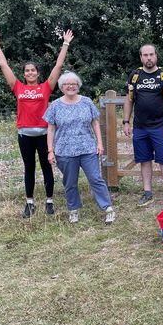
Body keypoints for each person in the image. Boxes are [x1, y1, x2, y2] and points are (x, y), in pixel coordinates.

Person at [0, 27, 74, 218]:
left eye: (32, 70)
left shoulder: (46, 87)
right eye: (26, 71)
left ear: (37, 72)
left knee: (46, 167)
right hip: (25, 135)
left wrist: (65, 44)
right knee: (29, 168)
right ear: (24, 74)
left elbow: (58, 67)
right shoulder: (17, 87)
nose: (29, 73)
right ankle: (30, 203)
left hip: (44, 134)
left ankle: (49, 201)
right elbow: (3, 65)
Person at [43, 71, 115, 224]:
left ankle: (108, 208)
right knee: (70, 183)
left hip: (88, 149)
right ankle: (73, 210)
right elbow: (50, 129)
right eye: (67, 84)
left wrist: (99, 143)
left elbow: (95, 123)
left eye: (74, 84)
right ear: (62, 87)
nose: (71, 87)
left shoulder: (87, 101)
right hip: (65, 152)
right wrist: (50, 150)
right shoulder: (55, 105)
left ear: (78, 86)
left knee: (96, 179)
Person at [122, 44, 163, 207]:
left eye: (151, 54)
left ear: (156, 56)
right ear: (141, 57)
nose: (148, 58)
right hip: (139, 127)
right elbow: (129, 100)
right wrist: (126, 122)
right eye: (145, 55)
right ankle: (147, 192)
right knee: (144, 160)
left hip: (160, 127)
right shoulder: (134, 75)